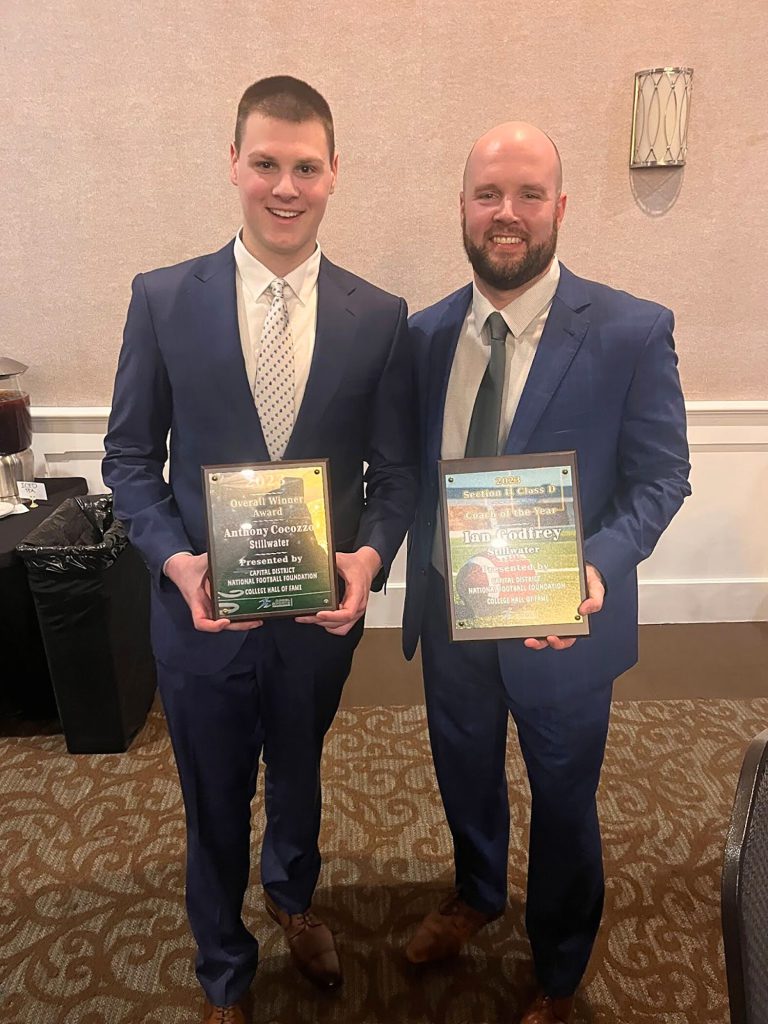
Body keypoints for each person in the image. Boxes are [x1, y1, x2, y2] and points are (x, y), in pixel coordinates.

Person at [103, 76, 417, 1024]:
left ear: (334, 176)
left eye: (306, 167)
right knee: (211, 790)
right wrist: (174, 559)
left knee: (301, 764)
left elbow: (395, 478)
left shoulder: (380, 315)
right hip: (199, 612)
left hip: (318, 615)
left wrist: (366, 563)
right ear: (233, 164)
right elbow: (127, 458)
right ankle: (224, 967)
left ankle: (291, 898)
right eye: (267, 163)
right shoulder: (161, 300)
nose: (286, 186)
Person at [401, 121, 690, 1024]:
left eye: (529, 194)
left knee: (565, 801)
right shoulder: (425, 334)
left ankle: (560, 968)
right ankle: (478, 893)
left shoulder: (632, 331)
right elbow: (409, 472)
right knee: (465, 772)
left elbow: (662, 477)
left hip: (563, 621)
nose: (508, 213)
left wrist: (599, 565)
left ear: (560, 208)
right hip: (454, 612)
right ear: (461, 207)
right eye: (489, 194)